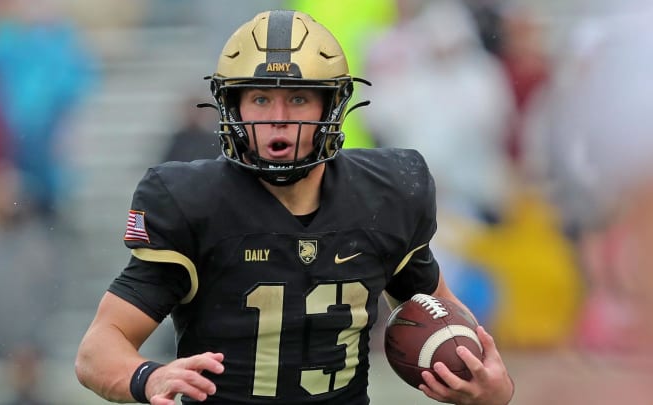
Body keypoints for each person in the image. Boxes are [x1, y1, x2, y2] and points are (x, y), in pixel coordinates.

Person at [75, 10, 514, 405]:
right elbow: (98, 349)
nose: (278, 117)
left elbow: (441, 314)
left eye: (298, 98)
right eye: (261, 99)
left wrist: (490, 389)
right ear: (233, 107)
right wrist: (148, 378)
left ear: (331, 105)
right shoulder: (192, 203)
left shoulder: (386, 195)